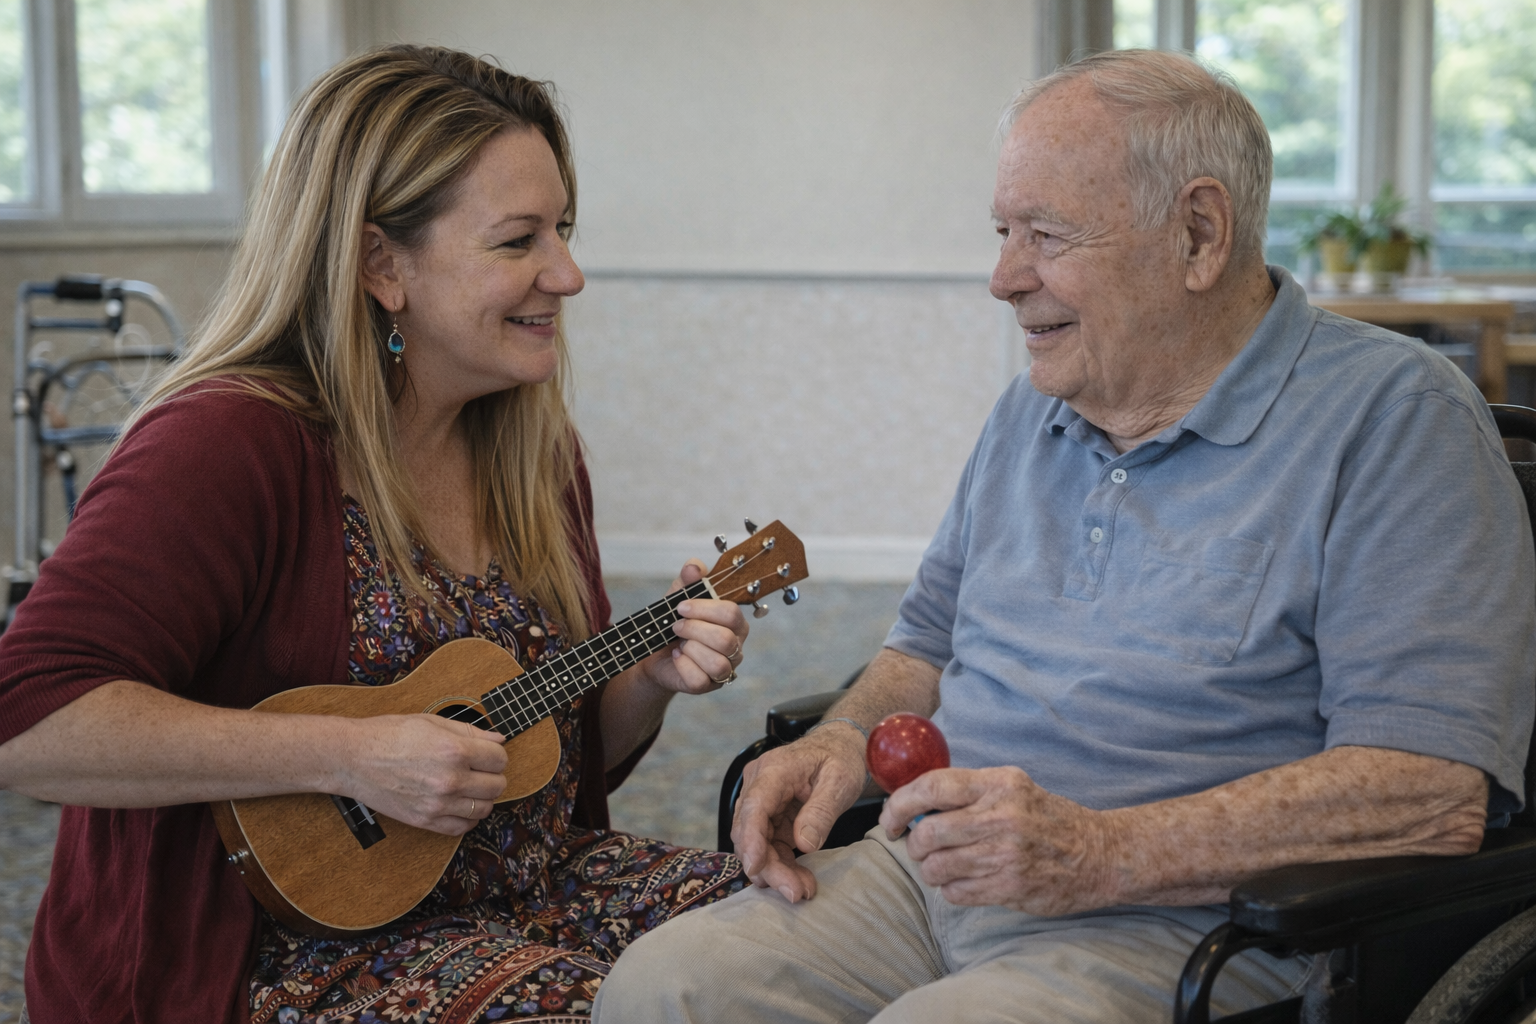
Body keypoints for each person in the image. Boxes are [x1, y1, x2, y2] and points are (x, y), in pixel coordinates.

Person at [593, 48, 1536, 1023]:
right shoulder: (1029, 413)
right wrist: (844, 732)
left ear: (1199, 234)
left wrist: (1098, 851)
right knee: (662, 991)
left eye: (1045, 235)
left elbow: (1427, 792)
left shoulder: (1397, 421)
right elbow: (923, 647)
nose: (1002, 278)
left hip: (1196, 923)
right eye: (1004, 231)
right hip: (937, 877)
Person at [0, 45, 750, 1024]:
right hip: (274, 952)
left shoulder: (536, 454)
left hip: (529, 887)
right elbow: (27, 719)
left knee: (791, 933)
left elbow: (551, 756)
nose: (567, 274)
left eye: (563, 229)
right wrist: (343, 757)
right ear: (378, 263)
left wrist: (648, 680)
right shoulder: (229, 443)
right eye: (518, 239)